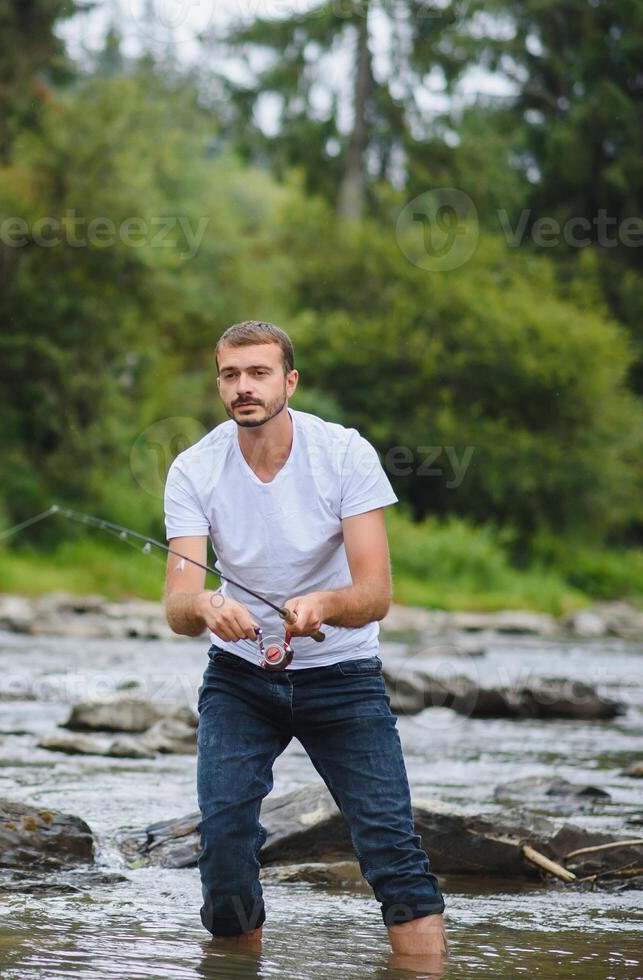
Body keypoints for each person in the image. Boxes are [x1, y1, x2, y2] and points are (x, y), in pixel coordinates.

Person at [161, 320, 447, 962]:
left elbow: (374, 594)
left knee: (391, 849)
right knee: (225, 846)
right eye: (231, 375)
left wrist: (325, 603)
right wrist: (207, 605)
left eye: (258, 373)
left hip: (343, 677)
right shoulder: (194, 468)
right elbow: (177, 606)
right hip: (238, 680)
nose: (243, 387)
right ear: (219, 384)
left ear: (289, 381)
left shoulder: (344, 453)